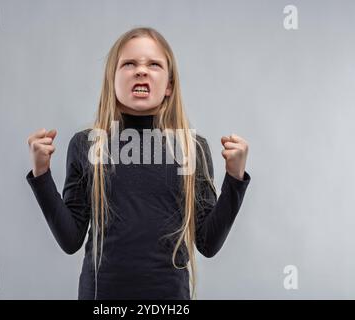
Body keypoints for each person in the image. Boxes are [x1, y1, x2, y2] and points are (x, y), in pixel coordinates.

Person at [26, 27, 251, 300]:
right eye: (129, 63)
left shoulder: (192, 148)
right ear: (112, 80)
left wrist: (235, 178)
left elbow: (208, 242)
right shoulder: (87, 144)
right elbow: (70, 239)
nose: (141, 71)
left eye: (153, 64)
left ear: (169, 85)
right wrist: (41, 174)